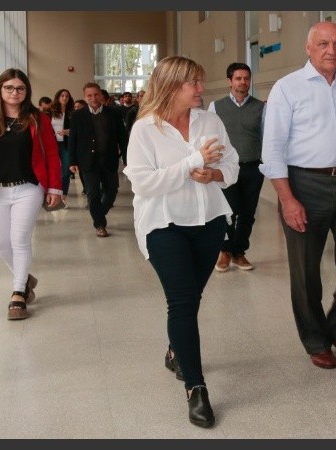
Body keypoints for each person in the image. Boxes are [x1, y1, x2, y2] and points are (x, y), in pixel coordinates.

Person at [123, 56, 239, 428]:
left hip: (208, 222)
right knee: (182, 301)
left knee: (191, 297)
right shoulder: (145, 129)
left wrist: (214, 173)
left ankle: (177, 350)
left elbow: (233, 166)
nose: (201, 90)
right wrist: (193, 161)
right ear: (172, 85)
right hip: (163, 224)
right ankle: (196, 387)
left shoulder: (210, 120)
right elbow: (144, 183)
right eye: (195, 84)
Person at [260, 21, 336, 370]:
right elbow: (273, 149)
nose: (332, 50)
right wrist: (287, 199)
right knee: (306, 270)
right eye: (323, 43)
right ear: (308, 48)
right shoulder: (287, 88)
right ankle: (315, 339)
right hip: (304, 186)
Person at [0, 68, 62, 320]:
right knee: (1, 243)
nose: (14, 93)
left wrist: (55, 188)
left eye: (20, 88)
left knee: (19, 239)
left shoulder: (38, 118)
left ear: (26, 91)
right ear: (0, 90)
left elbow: (51, 154)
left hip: (29, 187)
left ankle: (18, 293)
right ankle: (25, 278)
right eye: (9, 88)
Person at [208, 62, 265, 272]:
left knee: (248, 213)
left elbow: (266, 137)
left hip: (252, 167)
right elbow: (211, 136)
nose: (243, 82)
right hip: (225, 168)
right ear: (229, 81)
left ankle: (239, 252)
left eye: (246, 78)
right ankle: (225, 250)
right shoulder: (215, 106)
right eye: (239, 78)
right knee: (228, 212)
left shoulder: (261, 107)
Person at [68, 82, 128, 237]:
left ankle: (99, 213)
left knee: (112, 190)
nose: (93, 98)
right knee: (93, 193)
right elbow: (72, 139)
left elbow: (122, 137)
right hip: (88, 161)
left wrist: (127, 158)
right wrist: (72, 161)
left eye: (96, 94)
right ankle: (100, 224)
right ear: (85, 97)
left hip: (109, 160)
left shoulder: (113, 113)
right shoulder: (77, 115)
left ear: (101, 95)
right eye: (89, 95)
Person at [50, 88, 74, 203]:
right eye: (62, 96)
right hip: (52, 145)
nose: (64, 98)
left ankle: (63, 195)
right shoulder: (50, 112)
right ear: (58, 97)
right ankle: (51, 193)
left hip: (66, 145)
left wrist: (68, 131)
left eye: (67, 96)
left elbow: (78, 130)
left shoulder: (72, 113)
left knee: (66, 171)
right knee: (53, 170)